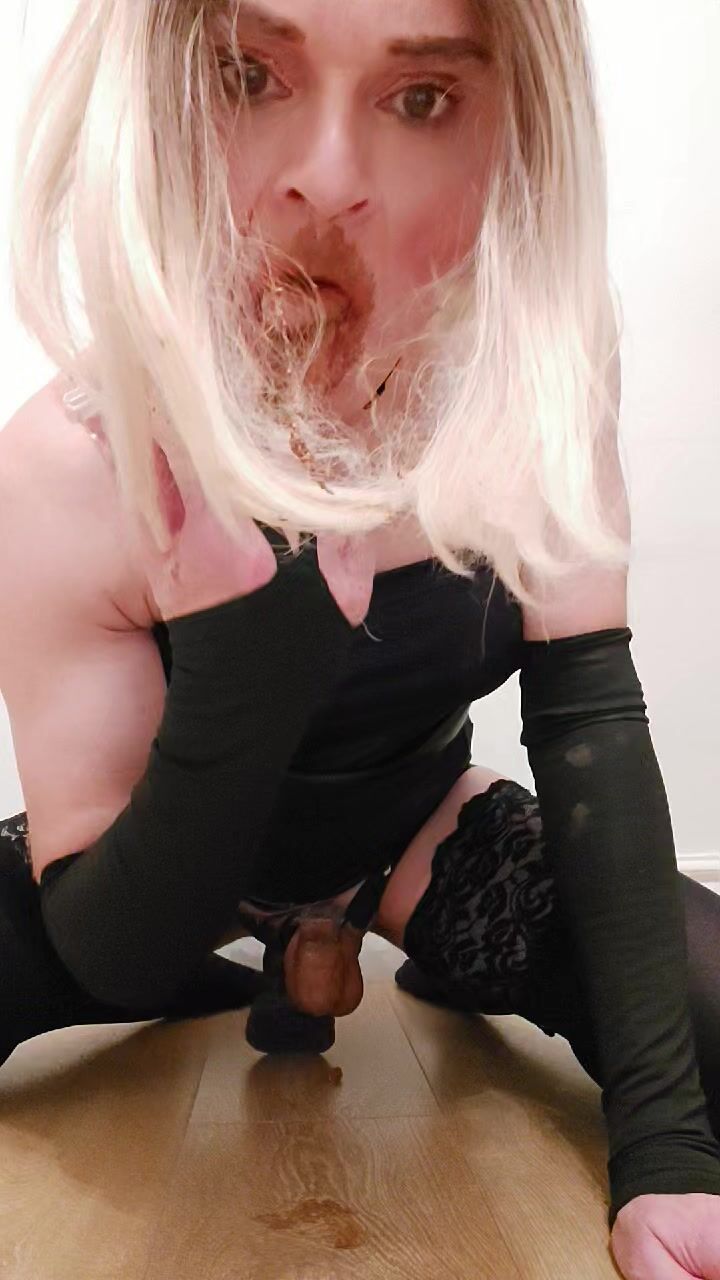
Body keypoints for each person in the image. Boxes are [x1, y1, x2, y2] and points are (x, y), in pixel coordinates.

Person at [1, 1, 719, 1275]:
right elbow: (112, 945)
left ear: (515, 130)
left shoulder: (531, 363)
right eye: (247, 73)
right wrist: (245, 671)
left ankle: (385, 952)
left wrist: (669, 1148)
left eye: (421, 98)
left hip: (411, 827)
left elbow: (589, 718)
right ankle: (260, 964)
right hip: (152, 855)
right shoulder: (68, 456)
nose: (326, 181)